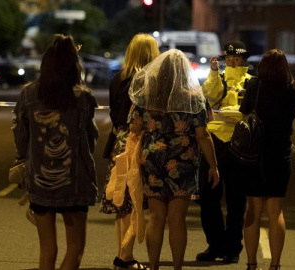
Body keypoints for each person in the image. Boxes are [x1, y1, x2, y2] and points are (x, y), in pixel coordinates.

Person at [12, 34, 98, 270]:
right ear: (74, 65)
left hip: (40, 181)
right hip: (75, 181)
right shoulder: (83, 97)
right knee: (75, 249)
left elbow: (21, 135)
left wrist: (23, 158)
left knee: (47, 250)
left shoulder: (28, 94)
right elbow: (90, 139)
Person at [127, 49, 219, 270]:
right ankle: (177, 267)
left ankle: (154, 266)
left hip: (152, 160)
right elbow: (203, 135)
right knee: (177, 218)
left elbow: (134, 127)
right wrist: (214, 166)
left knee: (156, 217)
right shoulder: (194, 98)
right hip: (183, 161)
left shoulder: (147, 96)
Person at [100, 33, 159, 270]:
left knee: (121, 201)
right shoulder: (146, 80)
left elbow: (115, 115)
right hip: (137, 141)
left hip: (118, 141)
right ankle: (125, 257)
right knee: (135, 199)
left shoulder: (118, 78)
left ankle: (123, 254)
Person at [241, 49, 295, 270]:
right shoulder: (293, 89)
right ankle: (275, 264)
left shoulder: (255, 86)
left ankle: (251, 263)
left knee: (252, 211)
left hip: (255, 154)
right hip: (280, 153)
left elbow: (244, 111)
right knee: (276, 212)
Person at [197, 40, 253, 264]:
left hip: (239, 143)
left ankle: (233, 248)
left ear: (243, 60)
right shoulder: (217, 78)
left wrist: (226, 114)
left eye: (235, 59)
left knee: (236, 200)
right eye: (228, 58)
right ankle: (215, 244)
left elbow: (247, 113)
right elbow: (209, 97)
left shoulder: (251, 82)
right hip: (215, 142)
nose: (231, 61)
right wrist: (213, 72)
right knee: (208, 197)